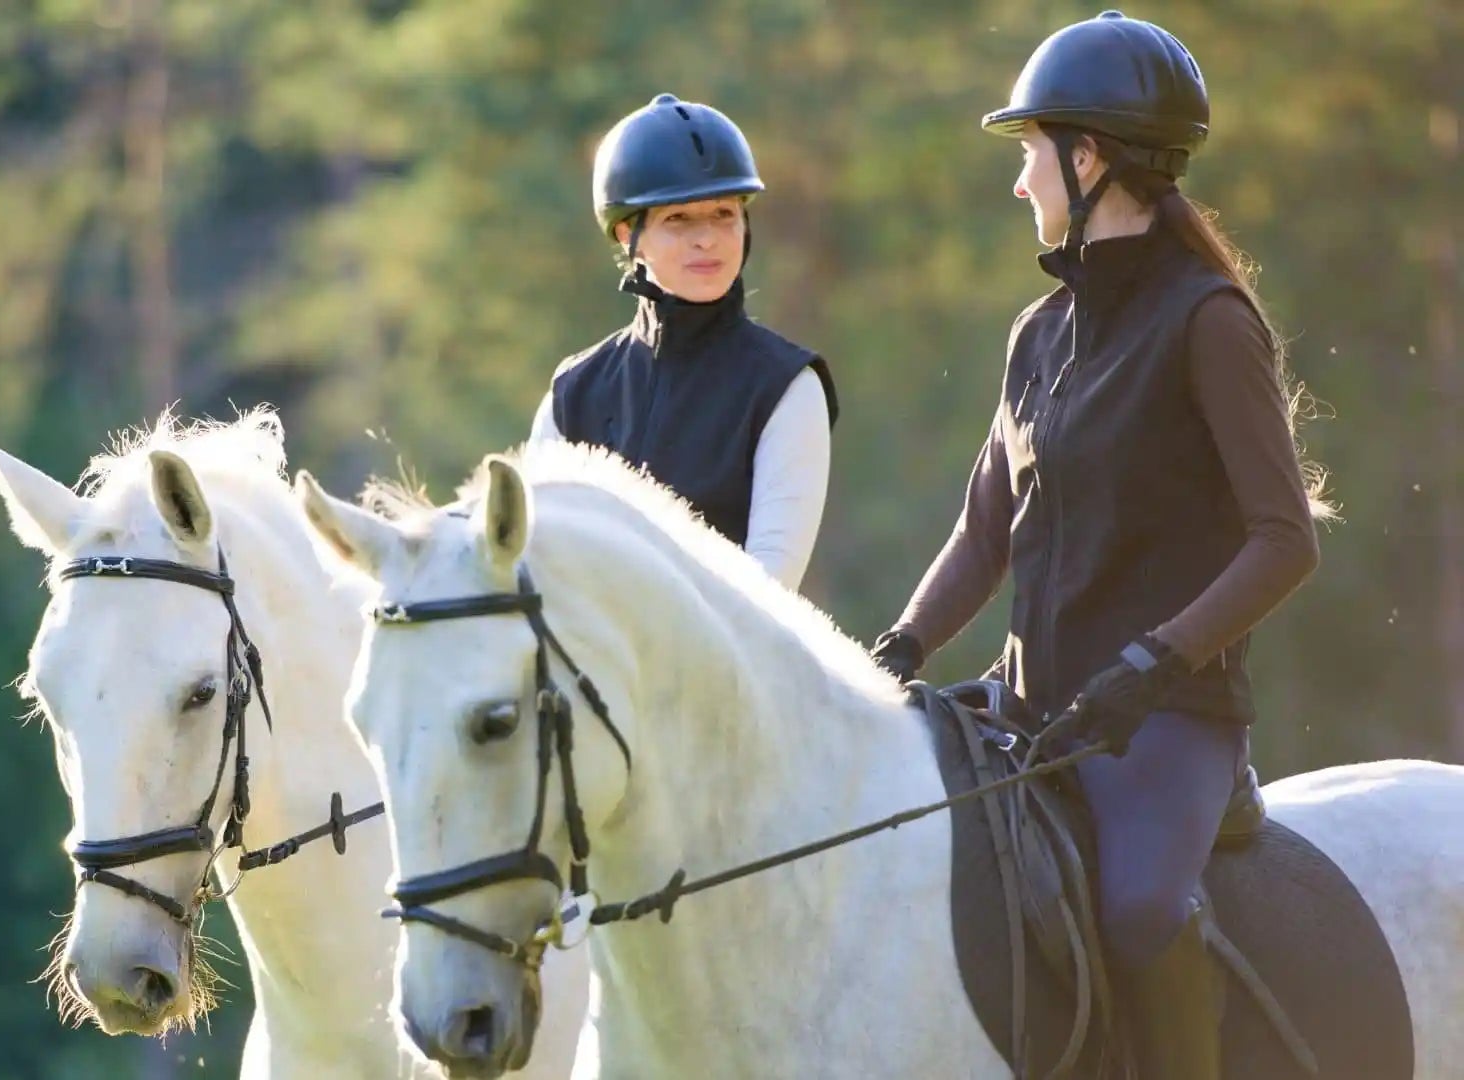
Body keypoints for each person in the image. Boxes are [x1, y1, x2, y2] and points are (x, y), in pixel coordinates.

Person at [867, 12, 1330, 1078]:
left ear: (1088, 159)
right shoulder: (1037, 335)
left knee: (1135, 914)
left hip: (1166, 717)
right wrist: (899, 647)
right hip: (1034, 706)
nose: (1017, 182)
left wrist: (1155, 662)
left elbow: (1284, 540)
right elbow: (985, 533)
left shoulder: (1210, 320)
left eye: (1030, 155)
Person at [529, 93, 839, 591]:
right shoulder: (571, 394)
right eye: (679, 220)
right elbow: (539, 567)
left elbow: (768, 593)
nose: (708, 239)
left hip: (732, 664)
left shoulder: (787, 385)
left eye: (723, 214)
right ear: (629, 232)